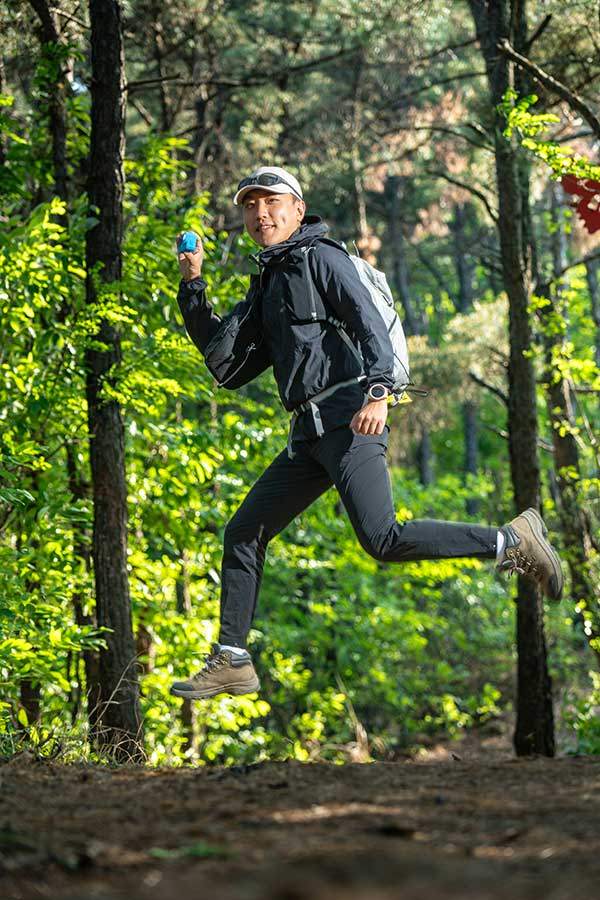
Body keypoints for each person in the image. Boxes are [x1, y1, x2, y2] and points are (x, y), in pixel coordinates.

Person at [170, 165, 564, 700]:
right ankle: (232, 659)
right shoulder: (267, 283)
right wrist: (192, 284)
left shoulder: (322, 258)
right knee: (244, 531)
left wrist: (379, 391)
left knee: (382, 539)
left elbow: (367, 323)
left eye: (271, 202)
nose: (260, 213)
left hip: (352, 417)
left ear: (296, 208)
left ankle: (513, 541)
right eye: (250, 206)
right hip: (308, 436)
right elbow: (228, 365)